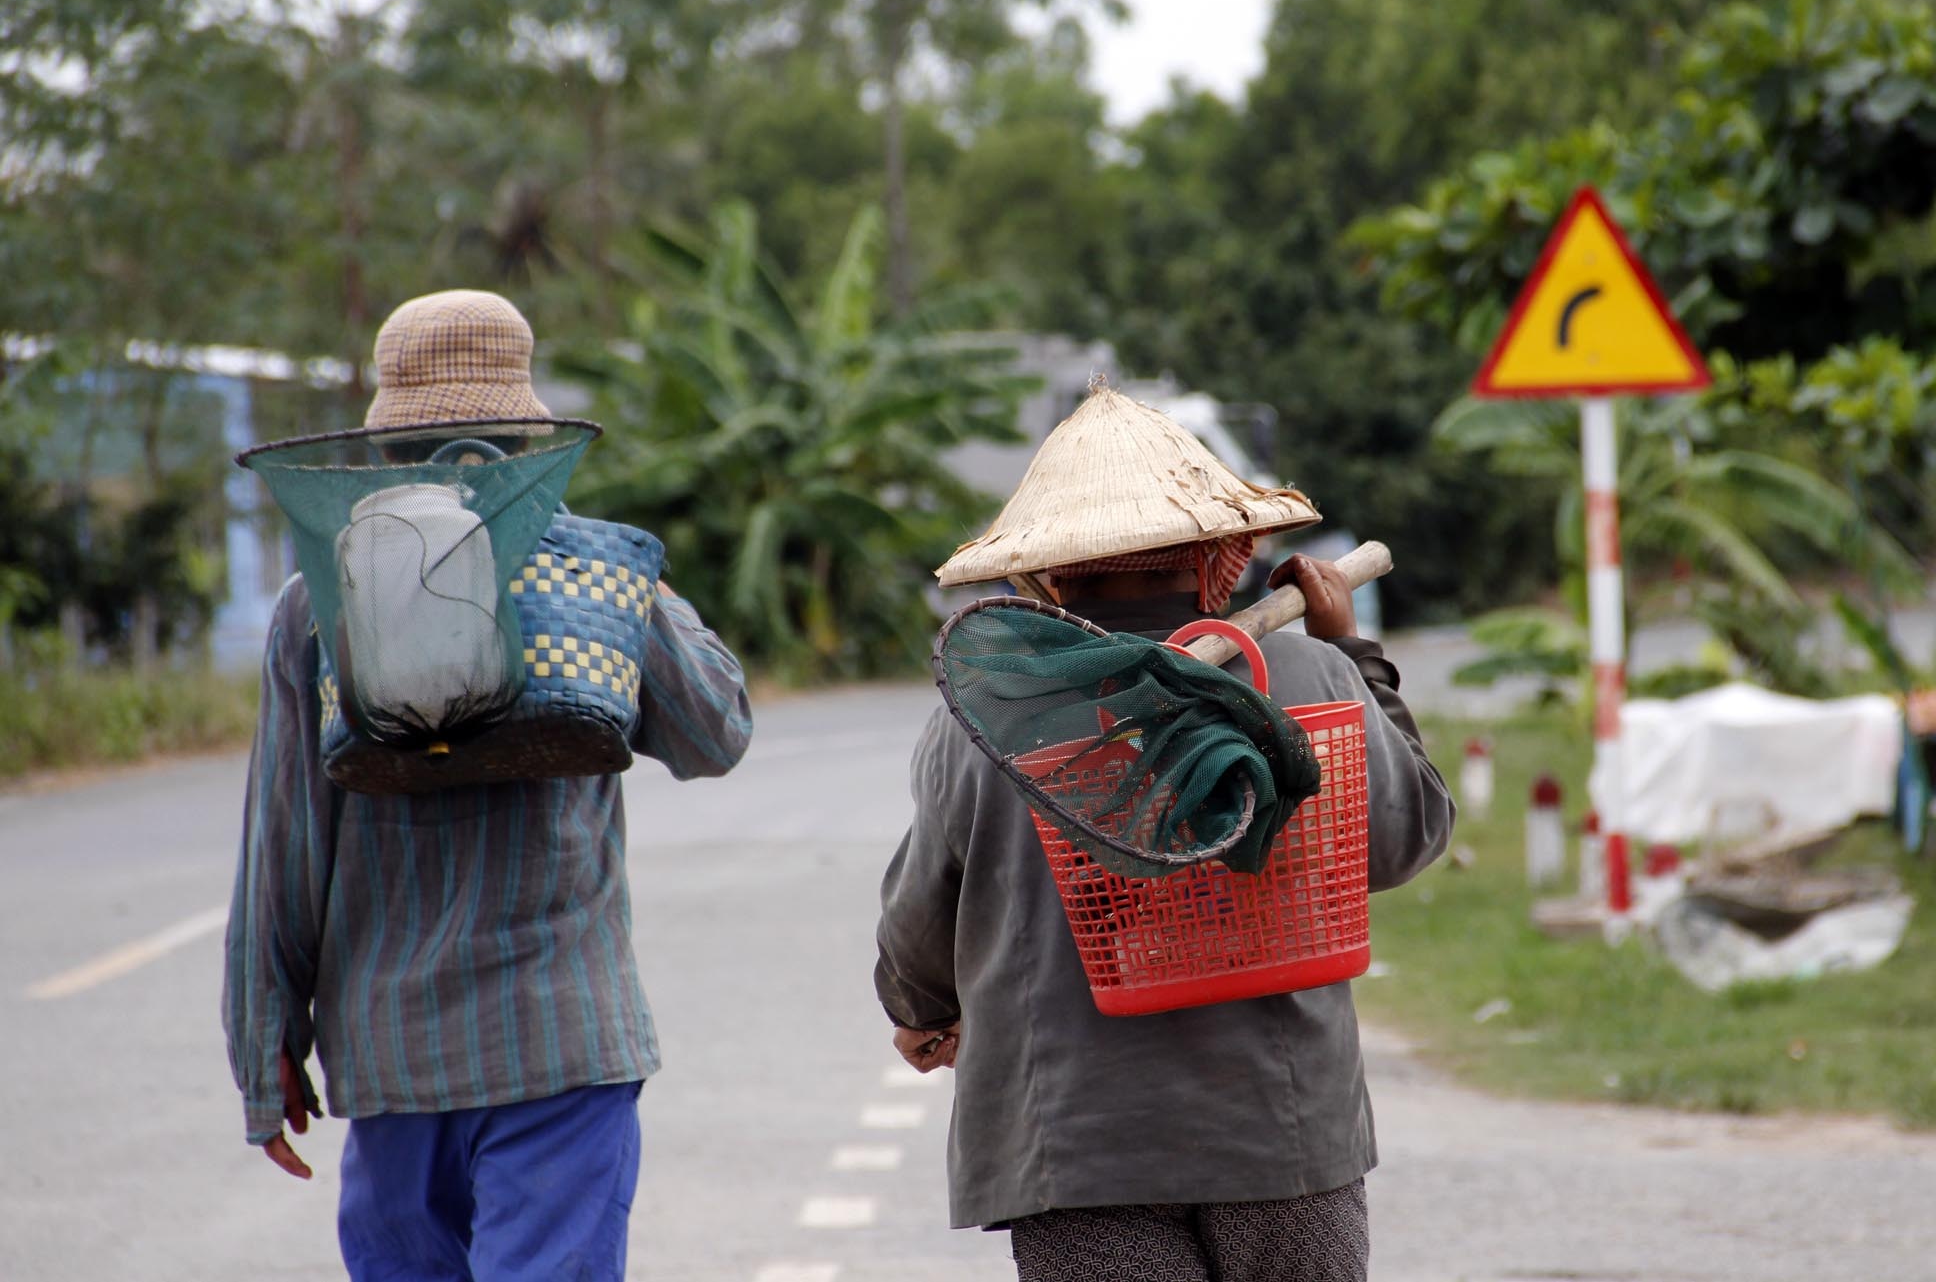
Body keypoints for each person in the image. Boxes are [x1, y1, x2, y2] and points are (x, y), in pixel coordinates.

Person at [222, 289, 752, 1280]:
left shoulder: (315, 602)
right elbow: (717, 732)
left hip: (392, 1058)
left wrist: (266, 1050)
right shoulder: (592, 579)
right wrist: (646, 588)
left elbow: (283, 848)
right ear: (525, 433)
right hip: (563, 1045)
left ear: (383, 444)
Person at [874, 385, 1454, 1282]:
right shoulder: (1306, 671)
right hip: (1283, 1134)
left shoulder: (986, 714)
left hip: (1082, 1148)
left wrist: (921, 1008)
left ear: (1048, 576)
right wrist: (1358, 658)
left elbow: (921, 916)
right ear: (1223, 554)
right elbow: (1408, 832)